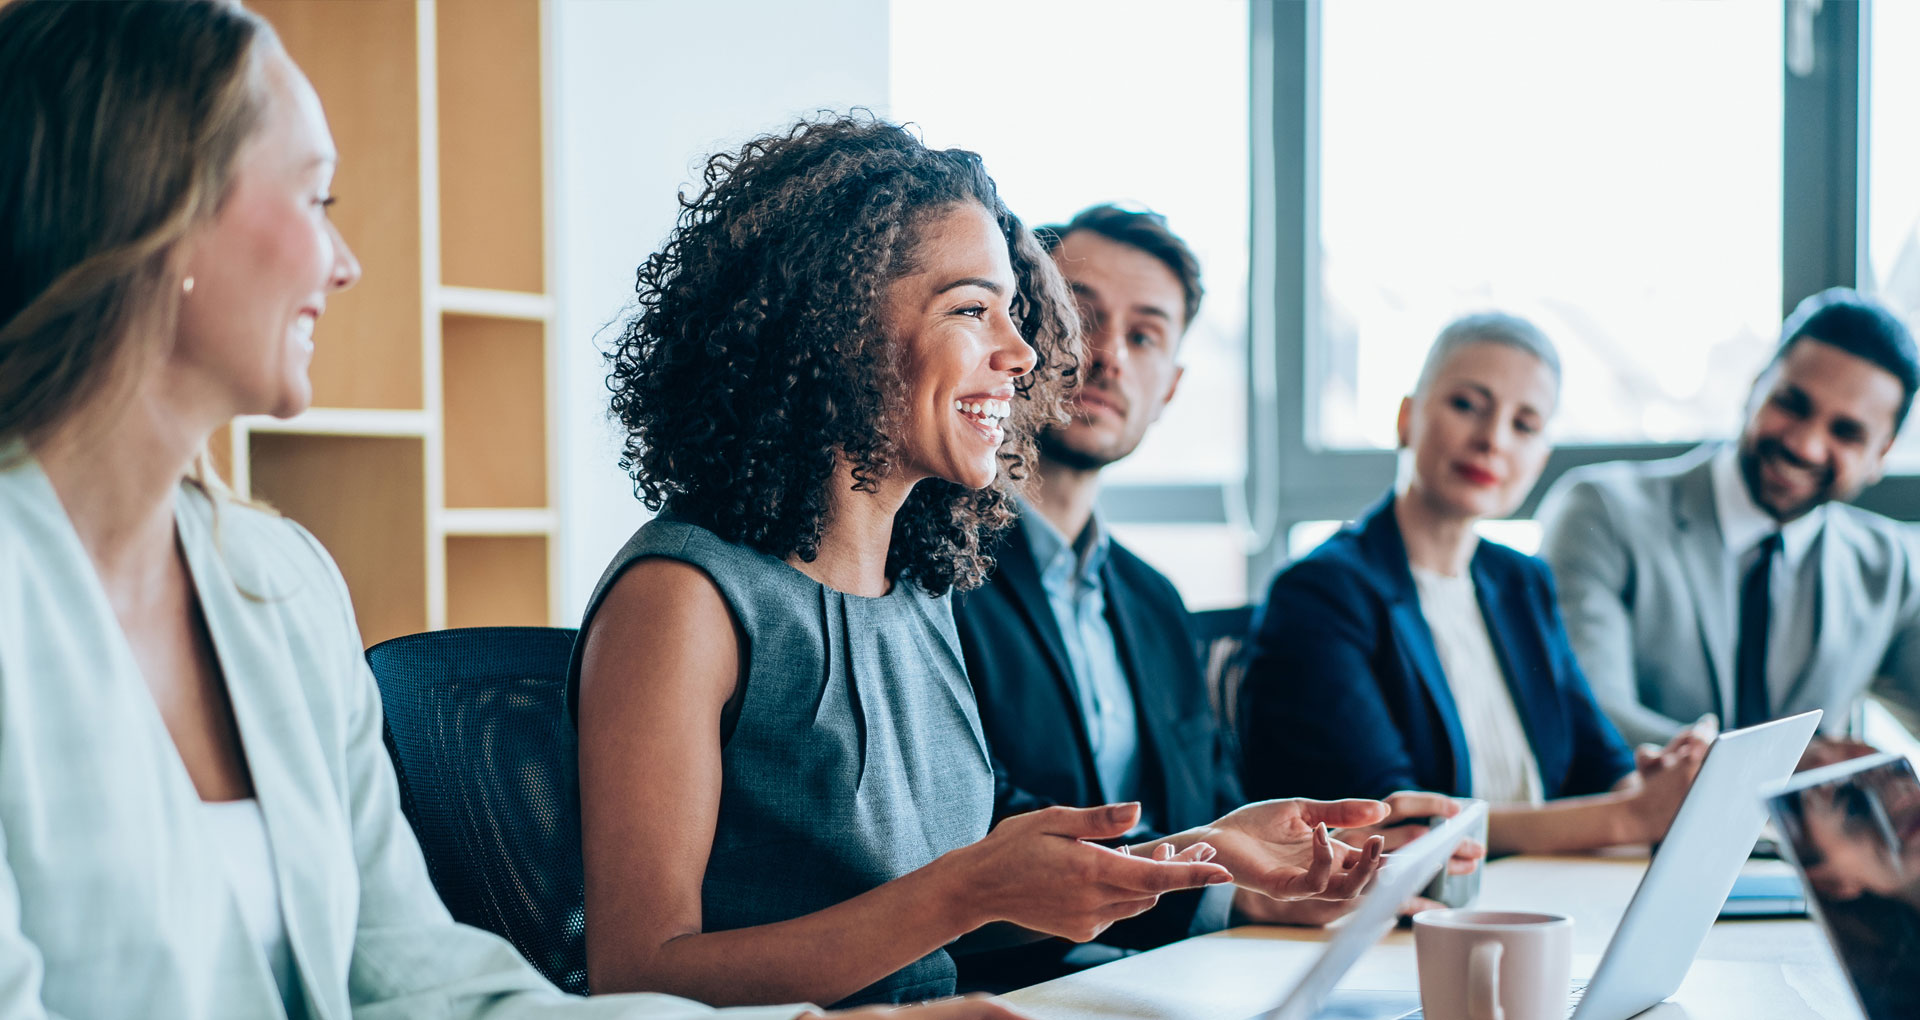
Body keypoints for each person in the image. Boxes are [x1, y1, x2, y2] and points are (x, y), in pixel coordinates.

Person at [0, 3, 1011, 1018]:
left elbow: (430, 986)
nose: (344, 263)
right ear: (154, 211)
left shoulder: (279, 585)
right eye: (316, 199)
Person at [571, 120, 1388, 1011]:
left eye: (1012, 309)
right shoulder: (683, 598)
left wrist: (1203, 852)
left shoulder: (919, 591)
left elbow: (953, 915)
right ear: (834, 323)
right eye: (971, 309)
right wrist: (967, 890)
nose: (1026, 354)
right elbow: (639, 980)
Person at [951, 206, 1468, 988]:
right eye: (1081, 318)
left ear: (1171, 389)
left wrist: (1295, 871)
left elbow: (1214, 808)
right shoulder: (935, 566)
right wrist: (1220, 890)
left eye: (1145, 335)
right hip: (1014, 982)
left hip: (1175, 971)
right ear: (1024, 334)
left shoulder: (1153, 601)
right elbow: (966, 815)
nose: (1109, 356)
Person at [1239, 314, 1708, 855]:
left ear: (1540, 459)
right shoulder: (1321, 591)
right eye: (1467, 406)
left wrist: (1661, 788)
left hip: (1544, 893)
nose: (1492, 440)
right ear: (1407, 418)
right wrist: (1630, 819)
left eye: (1524, 425)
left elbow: (1600, 763)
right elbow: (1397, 824)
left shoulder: (1522, 581)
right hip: (1403, 914)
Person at [1537, 289, 1920, 764]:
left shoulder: (1892, 568)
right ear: (1754, 386)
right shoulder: (1601, 512)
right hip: (1630, 837)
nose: (1805, 445)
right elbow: (1592, 715)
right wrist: (1790, 765)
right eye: (1792, 404)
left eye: (1845, 432)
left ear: (1881, 455)